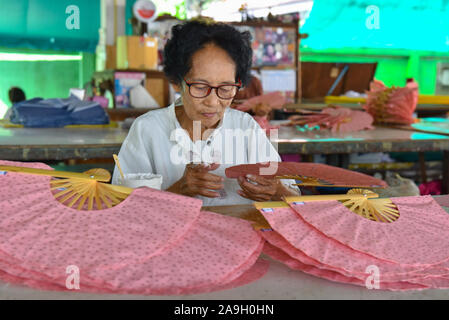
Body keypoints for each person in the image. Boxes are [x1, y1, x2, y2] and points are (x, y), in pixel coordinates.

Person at [112, 21, 299, 206]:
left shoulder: (245, 126)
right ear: (177, 82)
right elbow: (122, 208)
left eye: (225, 88)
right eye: (200, 87)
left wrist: (277, 191)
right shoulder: (148, 129)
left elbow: (296, 198)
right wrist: (178, 190)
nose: (212, 102)